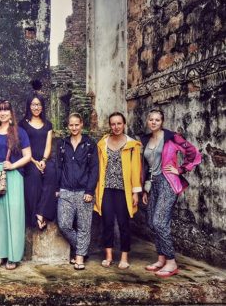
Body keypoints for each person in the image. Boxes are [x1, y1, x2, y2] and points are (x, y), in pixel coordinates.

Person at [141, 108, 201, 278]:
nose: (153, 122)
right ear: (147, 121)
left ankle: (171, 262)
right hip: (152, 184)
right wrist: (145, 188)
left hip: (167, 182)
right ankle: (161, 258)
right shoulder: (146, 140)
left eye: (157, 120)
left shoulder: (171, 137)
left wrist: (180, 169)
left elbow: (193, 153)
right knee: (152, 223)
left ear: (162, 122)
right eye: (151, 119)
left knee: (160, 222)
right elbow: (146, 167)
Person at [0, 100, 31, 270]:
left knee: (14, 215)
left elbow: (27, 156)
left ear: (11, 113)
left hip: (13, 175)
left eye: (5, 110)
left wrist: (13, 165)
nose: (2, 113)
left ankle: (13, 256)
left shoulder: (19, 132)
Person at [94, 112, 142, 269]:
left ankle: (124, 257)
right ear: (110, 125)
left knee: (123, 223)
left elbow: (136, 169)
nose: (116, 127)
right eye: (113, 124)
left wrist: (136, 192)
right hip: (106, 188)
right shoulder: (102, 143)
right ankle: (108, 256)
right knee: (107, 222)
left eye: (119, 123)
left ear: (124, 124)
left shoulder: (132, 145)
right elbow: (98, 168)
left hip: (124, 190)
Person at [57, 113, 98, 270]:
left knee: (84, 227)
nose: (74, 128)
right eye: (71, 125)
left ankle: (79, 257)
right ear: (68, 126)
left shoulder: (89, 144)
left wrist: (90, 191)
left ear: (81, 125)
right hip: (65, 190)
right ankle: (83, 250)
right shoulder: (62, 144)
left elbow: (94, 169)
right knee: (64, 224)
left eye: (76, 124)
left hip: (84, 192)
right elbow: (59, 167)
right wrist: (57, 188)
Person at [19, 93, 56, 230]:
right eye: (34, 104)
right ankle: (34, 217)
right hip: (29, 160)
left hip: (44, 159)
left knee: (52, 172)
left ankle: (41, 213)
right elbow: (22, 147)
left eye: (39, 104)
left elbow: (48, 146)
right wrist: (34, 161)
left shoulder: (48, 124)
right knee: (34, 175)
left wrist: (44, 160)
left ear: (42, 106)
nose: (36, 107)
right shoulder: (22, 124)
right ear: (29, 106)